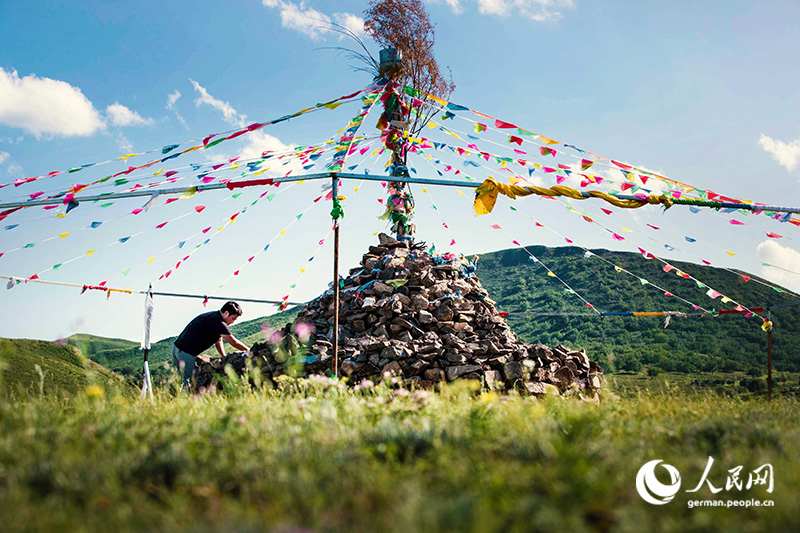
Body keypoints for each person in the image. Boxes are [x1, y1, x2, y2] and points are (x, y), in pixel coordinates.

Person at [172, 301, 250, 389]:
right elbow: (233, 342)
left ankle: (169, 400)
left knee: (176, 381)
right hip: (187, 353)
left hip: (176, 349)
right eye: (233, 318)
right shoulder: (219, 323)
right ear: (226, 313)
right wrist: (249, 350)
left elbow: (218, 340)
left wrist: (223, 356)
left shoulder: (213, 316)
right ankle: (189, 401)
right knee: (190, 382)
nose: (233, 322)